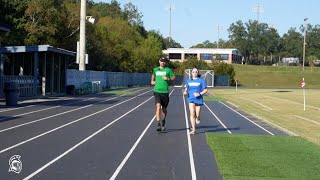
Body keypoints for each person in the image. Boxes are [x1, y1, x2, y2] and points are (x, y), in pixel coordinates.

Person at [151, 57, 176, 131]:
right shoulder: (155, 69)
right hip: (157, 91)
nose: (163, 62)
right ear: (159, 61)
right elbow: (153, 75)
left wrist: (168, 79)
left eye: (164, 61)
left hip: (165, 92)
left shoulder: (168, 70)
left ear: (165, 62)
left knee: (164, 109)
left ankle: (163, 121)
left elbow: (174, 78)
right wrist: (152, 81)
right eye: (161, 61)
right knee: (158, 107)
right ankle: (158, 124)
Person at [183, 68, 208, 135]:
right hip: (191, 98)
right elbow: (186, 88)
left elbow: (205, 90)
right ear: (191, 73)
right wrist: (185, 92)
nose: (194, 73)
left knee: (197, 114)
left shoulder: (201, 81)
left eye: (196, 72)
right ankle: (193, 129)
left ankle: (198, 117)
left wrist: (199, 94)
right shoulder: (188, 81)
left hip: (198, 99)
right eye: (193, 72)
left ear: (197, 73)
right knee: (192, 113)